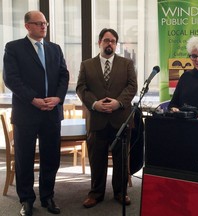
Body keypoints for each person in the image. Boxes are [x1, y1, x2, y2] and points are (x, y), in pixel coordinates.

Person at [3, 11, 69, 215]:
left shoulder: (55, 49)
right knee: (24, 158)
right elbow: (11, 79)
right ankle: (26, 200)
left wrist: (58, 98)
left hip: (51, 112)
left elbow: (64, 76)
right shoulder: (13, 48)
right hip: (26, 113)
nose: (44, 27)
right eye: (39, 23)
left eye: (45, 23)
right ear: (27, 26)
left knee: (51, 157)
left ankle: (47, 196)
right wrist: (33, 99)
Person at [76, 28, 138, 208]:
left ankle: (120, 192)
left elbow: (132, 87)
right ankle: (96, 193)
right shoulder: (86, 65)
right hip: (96, 119)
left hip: (120, 119)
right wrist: (95, 104)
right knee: (97, 160)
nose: (109, 43)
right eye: (106, 40)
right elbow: (81, 88)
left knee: (121, 160)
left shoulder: (126, 63)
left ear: (116, 44)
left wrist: (118, 103)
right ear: (99, 42)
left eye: (112, 41)